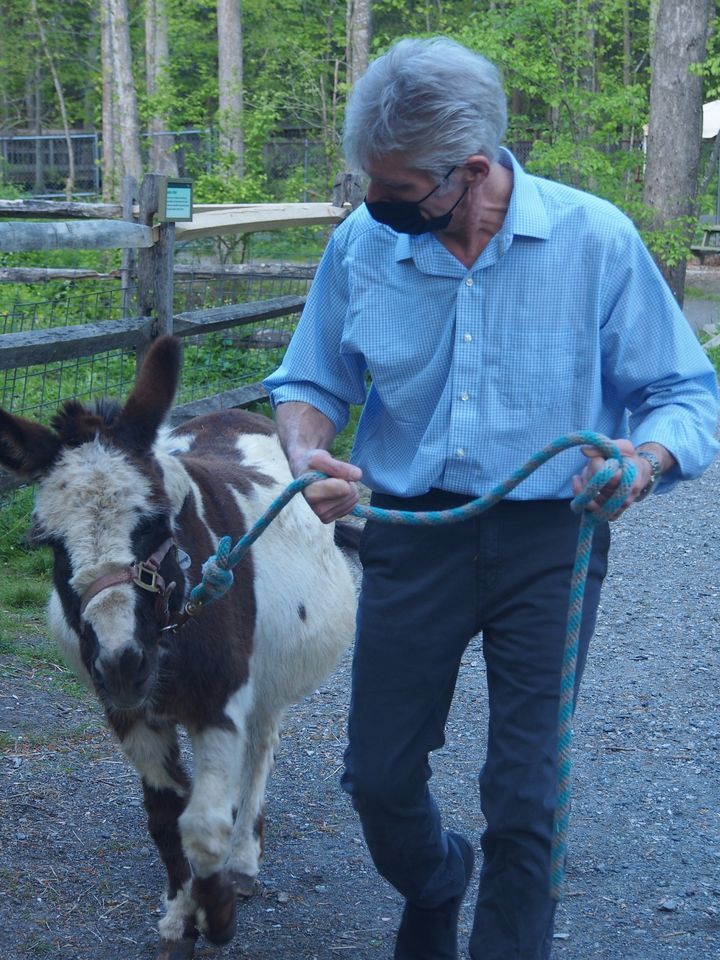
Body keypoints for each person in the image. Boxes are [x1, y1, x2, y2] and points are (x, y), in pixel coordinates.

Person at [263, 36, 719, 960]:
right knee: (380, 776)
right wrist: (306, 450)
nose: (374, 210)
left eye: (394, 194)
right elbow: (309, 381)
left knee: (527, 793)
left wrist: (644, 460)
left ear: (471, 172)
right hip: (410, 536)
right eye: (369, 190)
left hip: (554, 543)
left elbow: (687, 395)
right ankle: (436, 881)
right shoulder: (361, 244)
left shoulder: (595, 240)